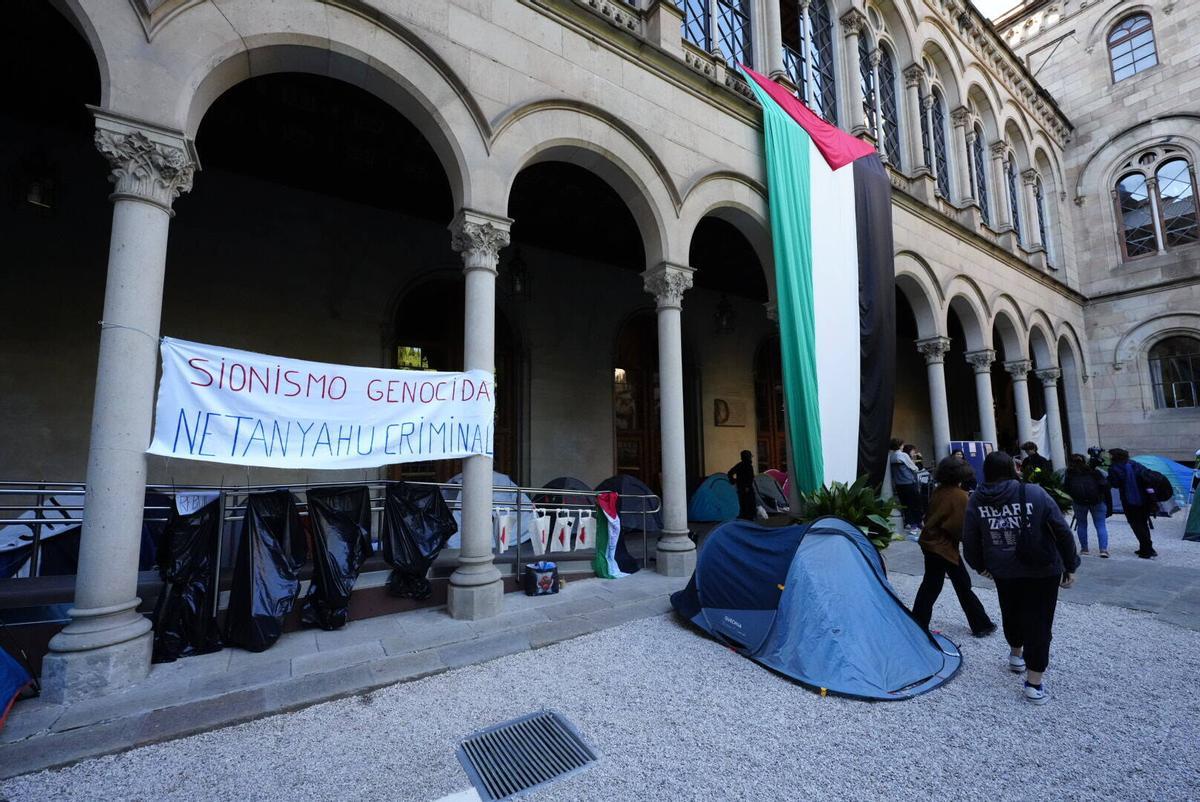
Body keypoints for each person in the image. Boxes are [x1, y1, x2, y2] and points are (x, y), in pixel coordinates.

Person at [963, 451, 1078, 705]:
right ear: (1012, 469)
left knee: (1011, 611)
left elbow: (969, 538)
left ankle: (1016, 655)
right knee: (1039, 622)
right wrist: (1071, 564)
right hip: (1041, 568)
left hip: (1002, 568)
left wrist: (979, 565)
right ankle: (1034, 683)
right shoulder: (1035, 493)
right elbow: (1062, 530)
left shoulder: (976, 501)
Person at [911, 457, 996, 636]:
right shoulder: (959, 496)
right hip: (942, 546)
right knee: (948, 585)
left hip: (933, 544)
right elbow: (961, 528)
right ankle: (981, 624)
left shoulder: (939, 490)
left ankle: (918, 623)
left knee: (936, 585)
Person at [1108, 448, 1158, 558]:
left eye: (1110, 455)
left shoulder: (1115, 468)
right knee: (1143, 523)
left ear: (1115, 456)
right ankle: (1146, 547)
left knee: (1136, 524)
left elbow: (1115, 484)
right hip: (1144, 498)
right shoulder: (1135, 464)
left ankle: (1147, 550)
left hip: (1129, 500)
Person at [1064, 453, 1110, 557]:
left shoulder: (1070, 473)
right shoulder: (1094, 471)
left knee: (1082, 524)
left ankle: (1084, 549)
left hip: (1079, 501)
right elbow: (1104, 485)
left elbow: (1066, 488)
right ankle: (1103, 549)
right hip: (1097, 501)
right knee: (1100, 525)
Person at [889, 438, 922, 533]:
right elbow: (914, 468)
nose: (903, 446)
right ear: (899, 445)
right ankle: (917, 523)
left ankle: (910, 523)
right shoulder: (902, 455)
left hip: (899, 484)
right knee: (915, 503)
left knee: (905, 504)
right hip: (909, 482)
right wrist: (918, 462)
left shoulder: (891, 456)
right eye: (902, 444)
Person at [727, 450, 757, 521]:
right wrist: (747, 486)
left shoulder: (739, 465)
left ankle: (744, 517)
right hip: (747, 488)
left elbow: (730, 473)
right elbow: (750, 478)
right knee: (749, 502)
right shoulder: (749, 466)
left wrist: (734, 481)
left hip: (740, 487)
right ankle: (749, 517)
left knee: (743, 502)